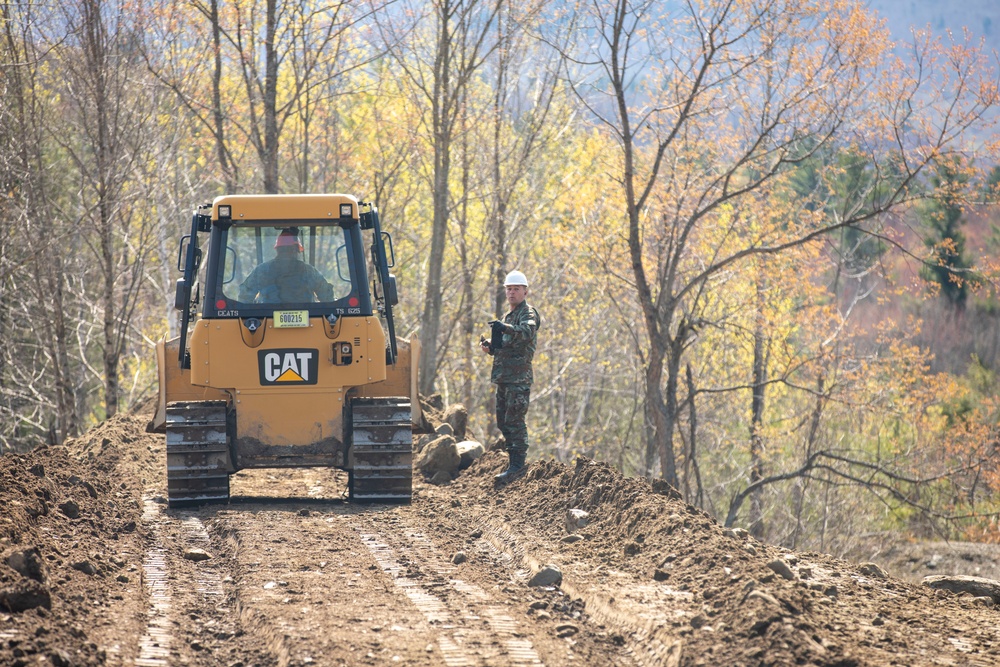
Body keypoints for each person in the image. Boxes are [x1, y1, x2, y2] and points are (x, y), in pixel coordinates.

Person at [480, 270, 541, 482]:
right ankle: (513, 462)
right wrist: (492, 347)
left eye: (516, 289)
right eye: (509, 289)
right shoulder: (508, 316)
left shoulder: (528, 313)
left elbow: (526, 332)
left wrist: (504, 328)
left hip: (519, 379)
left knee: (515, 420)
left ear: (525, 291)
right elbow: (507, 346)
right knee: (503, 422)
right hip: (504, 378)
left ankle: (517, 465)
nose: (512, 293)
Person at [239, 228, 334, 304]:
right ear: (295, 250)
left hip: (267, 322)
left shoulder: (262, 270)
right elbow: (326, 296)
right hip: (309, 321)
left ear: (277, 250)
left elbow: (245, 297)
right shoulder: (308, 271)